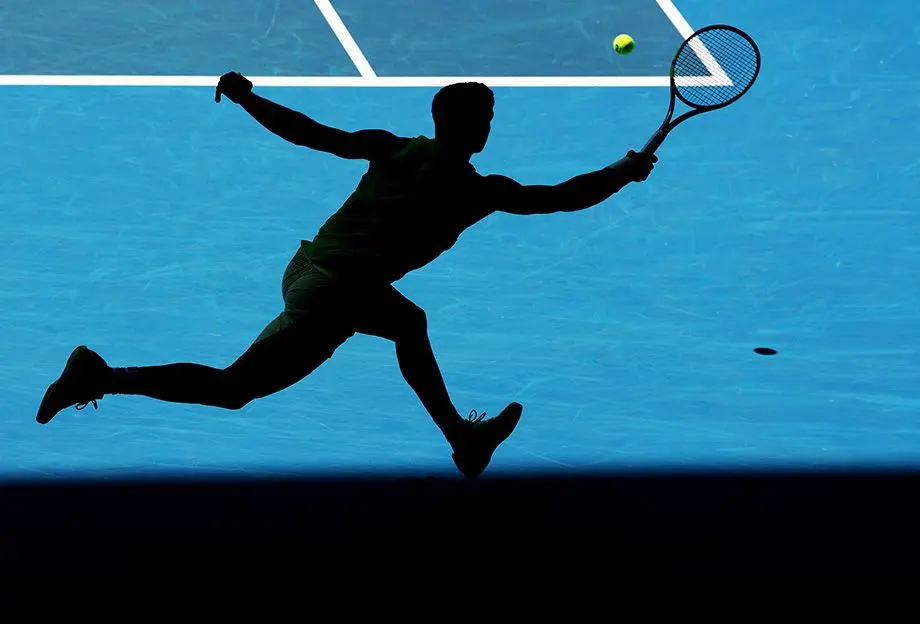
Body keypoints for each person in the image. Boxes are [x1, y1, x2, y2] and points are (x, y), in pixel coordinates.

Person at [35, 72, 657, 479]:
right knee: (234, 389)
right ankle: (103, 376)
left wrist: (251, 99)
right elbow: (562, 197)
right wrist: (625, 171)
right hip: (334, 291)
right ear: (468, 125)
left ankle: (464, 441)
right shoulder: (479, 191)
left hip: (312, 266)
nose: (491, 124)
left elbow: (314, 134)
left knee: (408, 323)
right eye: (487, 114)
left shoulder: (393, 147)